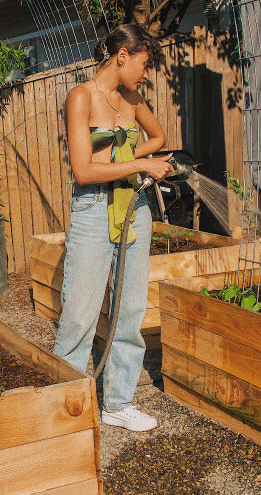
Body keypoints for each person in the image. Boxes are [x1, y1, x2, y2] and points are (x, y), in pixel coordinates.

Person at [54, 24, 174, 432]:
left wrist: (130, 153)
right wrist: (140, 164)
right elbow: (85, 171)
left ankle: (118, 403)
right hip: (93, 210)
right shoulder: (81, 97)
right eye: (142, 64)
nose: (145, 74)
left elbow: (159, 136)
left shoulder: (133, 99)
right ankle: (66, 407)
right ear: (121, 55)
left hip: (134, 207)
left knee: (129, 310)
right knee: (79, 314)